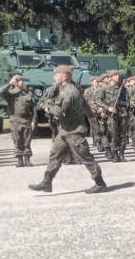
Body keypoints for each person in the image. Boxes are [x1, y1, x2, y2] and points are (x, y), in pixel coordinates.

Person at [28, 65, 107, 193]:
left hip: (74, 132)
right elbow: (87, 108)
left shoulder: (69, 92)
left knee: (85, 157)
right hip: (65, 130)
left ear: (64, 76)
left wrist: (47, 108)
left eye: (56, 75)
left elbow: (59, 111)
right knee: (55, 155)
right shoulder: (64, 90)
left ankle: (100, 183)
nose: (54, 78)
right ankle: (47, 182)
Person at [0, 74, 36, 166]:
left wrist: (33, 121)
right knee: (17, 140)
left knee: (27, 141)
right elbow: (0, 92)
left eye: (20, 80)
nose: (20, 82)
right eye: (17, 80)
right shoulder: (10, 94)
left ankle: (27, 159)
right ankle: (19, 160)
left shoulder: (28, 94)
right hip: (15, 120)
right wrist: (10, 84)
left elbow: (34, 109)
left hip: (26, 120)